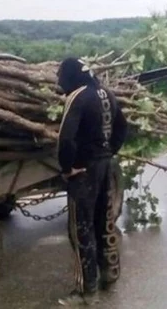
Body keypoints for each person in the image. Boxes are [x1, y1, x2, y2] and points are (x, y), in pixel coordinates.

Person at [55, 57, 128, 306]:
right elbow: (122, 127)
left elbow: (65, 139)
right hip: (105, 167)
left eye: (60, 76)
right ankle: (110, 274)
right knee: (103, 221)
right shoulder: (106, 93)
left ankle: (87, 291)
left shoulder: (78, 97)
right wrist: (109, 152)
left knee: (80, 229)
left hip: (84, 171)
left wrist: (68, 168)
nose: (59, 81)